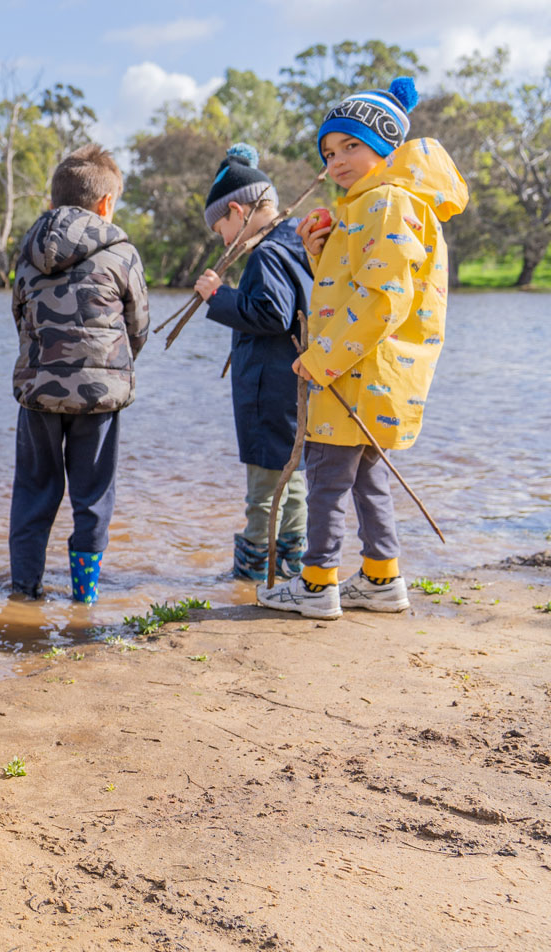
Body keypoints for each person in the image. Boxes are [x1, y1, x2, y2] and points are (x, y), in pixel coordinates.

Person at [257, 78, 469, 619]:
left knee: (326, 475)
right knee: (368, 474)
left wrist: (322, 360)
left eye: (351, 145)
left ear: (388, 148)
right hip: (373, 370)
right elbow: (349, 288)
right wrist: (317, 249)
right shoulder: (383, 203)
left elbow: (383, 300)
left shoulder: (387, 203)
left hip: (353, 369)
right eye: (329, 152)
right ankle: (380, 577)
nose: (338, 160)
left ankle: (316, 584)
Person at [8, 144, 149, 603]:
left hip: (38, 394)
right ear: (106, 204)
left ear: (53, 202)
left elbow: (19, 318)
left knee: (33, 492)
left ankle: (25, 594)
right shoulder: (122, 252)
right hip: (99, 399)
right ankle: (83, 598)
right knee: (92, 498)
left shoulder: (28, 253)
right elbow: (138, 327)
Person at [193, 144, 314, 581]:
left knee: (264, 486)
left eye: (220, 226)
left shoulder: (266, 254)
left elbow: (271, 313)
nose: (223, 239)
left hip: (268, 390)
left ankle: (251, 576)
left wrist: (219, 296)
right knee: (293, 478)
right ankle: (291, 566)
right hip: (295, 387)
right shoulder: (298, 242)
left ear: (239, 211)